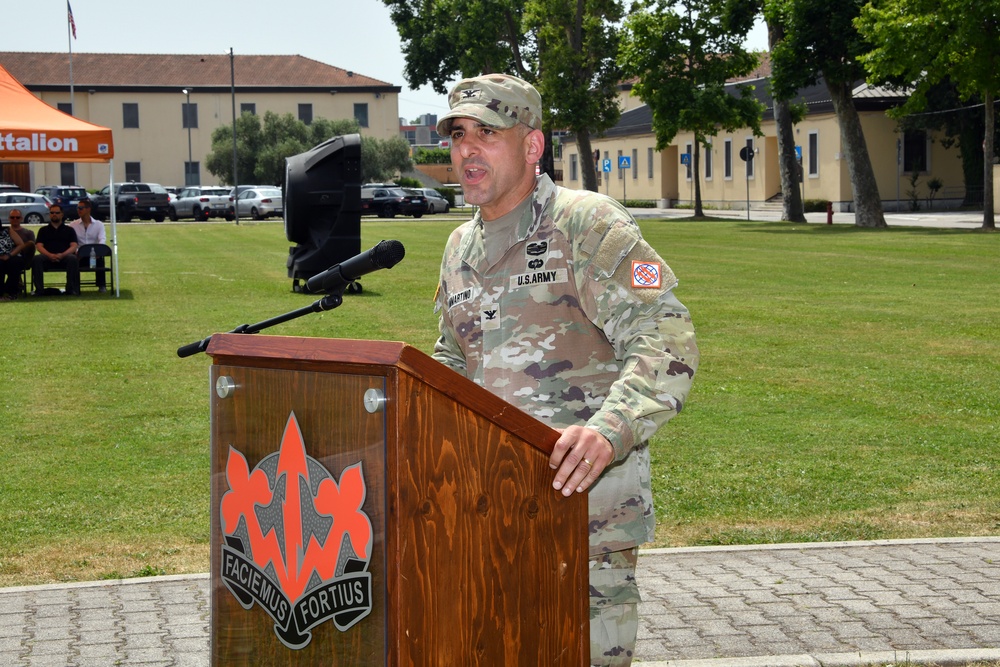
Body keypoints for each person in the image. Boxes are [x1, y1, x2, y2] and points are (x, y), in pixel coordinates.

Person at [431, 74, 699, 667]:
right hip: (486, 508)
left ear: (532, 146)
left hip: (584, 515)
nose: (467, 150)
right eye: (457, 135)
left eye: (487, 133)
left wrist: (609, 430)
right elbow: (454, 356)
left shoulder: (587, 225)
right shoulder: (459, 248)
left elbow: (668, 340)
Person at [32, 203, 80, 296]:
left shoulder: (69, 230)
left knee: (73, 258)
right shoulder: (43, 230)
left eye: (57, 212)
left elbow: (74, 245)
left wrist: (62, 255)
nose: (54, 214)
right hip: (47, 257)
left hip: (64, 257)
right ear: (49, 214)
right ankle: (39, 290)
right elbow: (39, 246)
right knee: (36, 259)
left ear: (62, 214)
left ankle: (71, 289)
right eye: (52, 212)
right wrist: (49, 255)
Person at [68, 198, 107, 292]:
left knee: (100, 261)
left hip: (94, 256)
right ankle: (75, 286)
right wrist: (76, 252)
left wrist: (99, 251)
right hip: (78, 255)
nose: (78, 210)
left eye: (81, 208)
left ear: (88, 209)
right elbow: (71, 242)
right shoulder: (73, 225)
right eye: (77, 208)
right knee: (73, 261)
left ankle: (101, 285)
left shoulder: (99, 224)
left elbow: (102, 239)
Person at [0, 210, 27, 300]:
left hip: (11, 255)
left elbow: (20, 244)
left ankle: (12, 292)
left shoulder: (7, 230)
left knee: (15, 262)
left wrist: (9, 255)